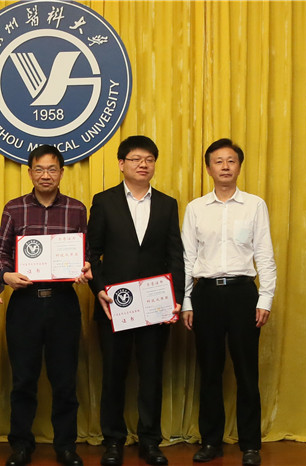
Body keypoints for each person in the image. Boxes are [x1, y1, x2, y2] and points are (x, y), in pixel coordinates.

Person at [87, 135, 185, 466]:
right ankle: (113, 440)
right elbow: (92, 252)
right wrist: (99, 289)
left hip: (156, 307)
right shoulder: (104, 201)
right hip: (114, 306)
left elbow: (175, 255)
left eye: (149, 159)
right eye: (135, 159)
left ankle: (150, 441)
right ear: (121, 164)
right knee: (113, 375)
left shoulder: (168, 204)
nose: (143, 164)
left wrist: (176, 298)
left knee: (152, 375)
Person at [180, 139, 277, 466]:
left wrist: (265, 298)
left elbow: (265, 255)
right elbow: (187, 257)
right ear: (209, 168)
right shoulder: (196, 208)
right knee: (209, 371)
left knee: (246, 371)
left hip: (242, 294)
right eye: (218, 161)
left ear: (239, 166)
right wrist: (186, 301)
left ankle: (250, 445)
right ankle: (211, 442)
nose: (225, 166)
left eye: (231, 160)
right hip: (205, 294)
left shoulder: (254, 205)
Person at [0, 145, 91, 466]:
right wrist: (6, 275)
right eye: (39, 169)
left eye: (51, 169)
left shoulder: (76, 209)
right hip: (25, 303)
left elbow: (86, 253)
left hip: (63, 303)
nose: (45, 175)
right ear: (30, 172)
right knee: (23, 380)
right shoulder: (14, 208)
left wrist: (84, 267)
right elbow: (1, 254)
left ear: (61, 172)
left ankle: (66, 446)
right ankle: (21, 445)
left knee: (65, 379)